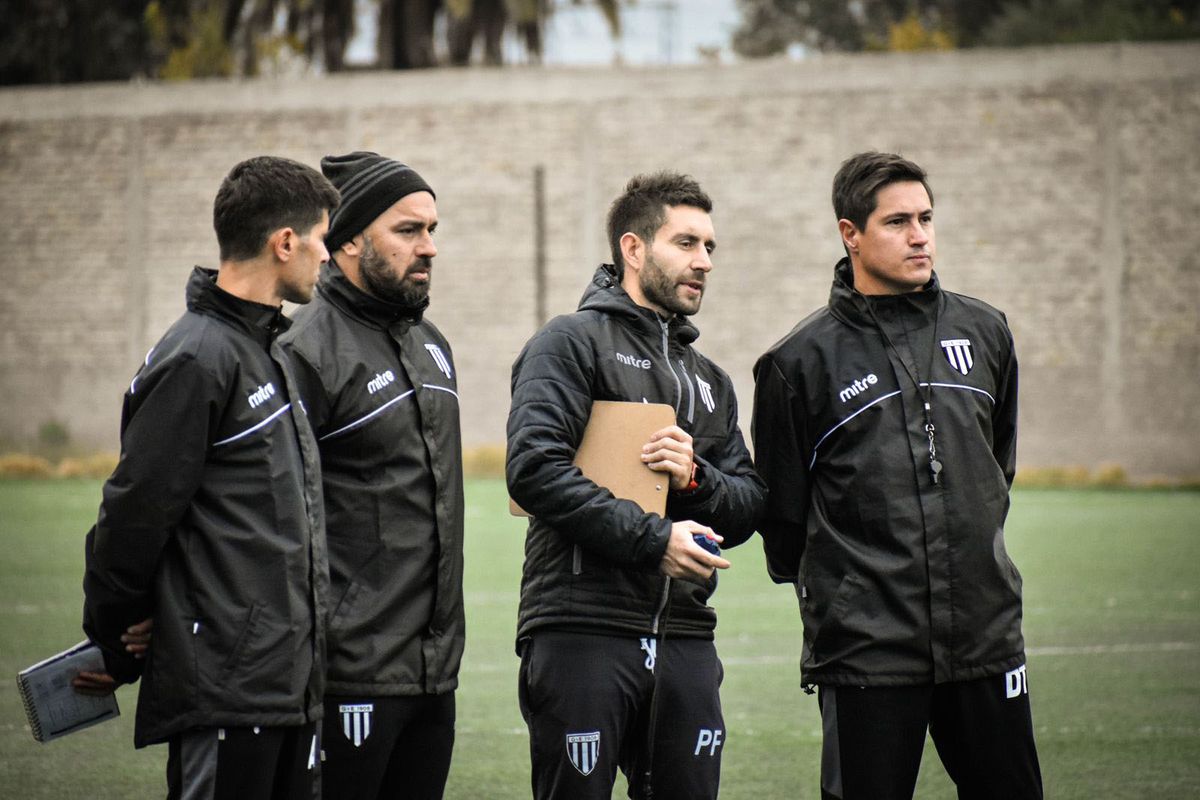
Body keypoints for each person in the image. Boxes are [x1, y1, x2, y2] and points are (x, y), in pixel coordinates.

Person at [751, 151, 1042, 800]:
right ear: (849, 234)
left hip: (984, 634)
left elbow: (996, 469)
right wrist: (855, 596)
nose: (920, 236)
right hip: (867, 651)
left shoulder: (985, 330)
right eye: (897, 222)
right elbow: (784, 523)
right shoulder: (797, 362)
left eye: (927, 218)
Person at [77, 156, 339, 798]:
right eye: (322, 238)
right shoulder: (197, 358)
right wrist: (116, 635)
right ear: (285, 243)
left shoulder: (269, 350)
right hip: (228, 688)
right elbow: (134, 514)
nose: (327, 256)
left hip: (288, 687)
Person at [506, 171, 766, 800]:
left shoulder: (711, 379)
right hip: (581, 628)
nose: (703, 262)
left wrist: (696, 477)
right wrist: (654, 541)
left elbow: (750, 503)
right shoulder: (569, 342)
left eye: (709, 247)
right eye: (685, 243)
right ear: (633, 248)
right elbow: (534, 470)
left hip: (686, 634)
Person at [278, 152, 464, 800]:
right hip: (348, 676)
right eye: (409, 230)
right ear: (348, 239)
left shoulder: (433, 344)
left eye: (432, 230)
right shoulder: (301, 352)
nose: (429, 247)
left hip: (435, 677)